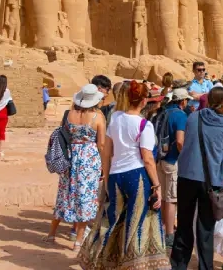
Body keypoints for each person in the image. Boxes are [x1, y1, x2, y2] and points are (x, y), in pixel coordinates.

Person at [78, 81, 168, 270]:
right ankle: (133, 265)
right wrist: (157, 186)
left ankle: (101, 260)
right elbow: (148, 158)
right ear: (144, 101)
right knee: (136, 223)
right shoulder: (144, 125)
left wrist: (107, 177)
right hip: (137, 176)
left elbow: (106, 151)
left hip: (116, 175)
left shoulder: (116, 118)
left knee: (112, 220)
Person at [171, 87, 223, 270]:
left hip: (187, 176)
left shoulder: (194, 117)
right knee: (205, 228)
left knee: (184, 223)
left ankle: (179, 265)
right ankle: (205, 266)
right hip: (211, 180)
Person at [45, 83, 106, 251]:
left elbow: (64, 135)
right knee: (85, 198)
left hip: (71, 156)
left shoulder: (69, 114)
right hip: (89, 160)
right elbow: (101, 144)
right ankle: (78, 241)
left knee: (64, 194)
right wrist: (103, 165)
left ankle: (51, 234)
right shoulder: (98, 117)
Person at [159, 88, 191, 248]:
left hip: (161, 158)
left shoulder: (163, 111)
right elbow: (180, 140)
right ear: (183, 101)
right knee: (172, 199)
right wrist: (185, 156)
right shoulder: (180, 115)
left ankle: (164, 226)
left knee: (164, 196)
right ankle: (170, 233)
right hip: (173, 160)